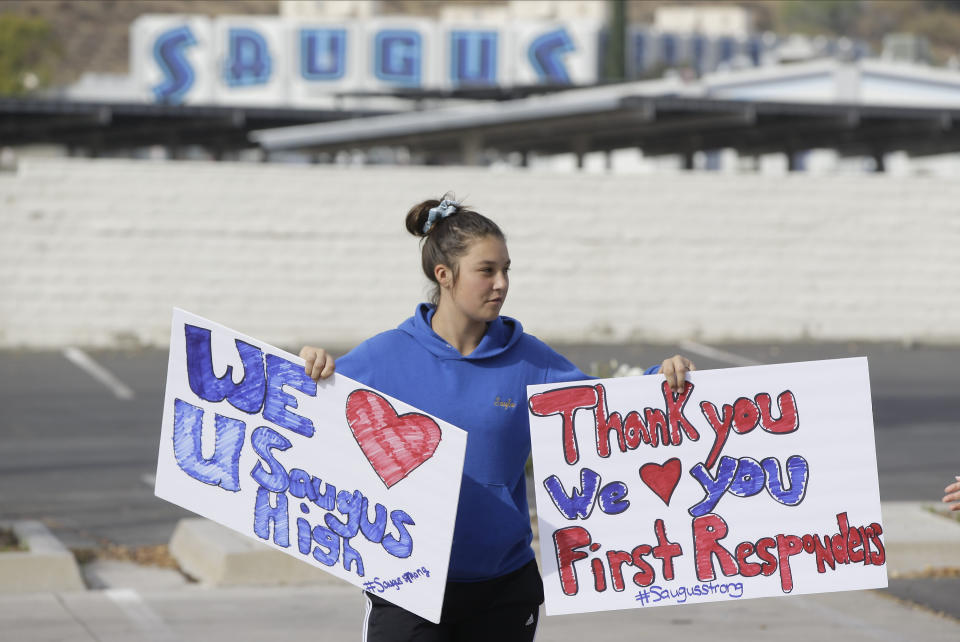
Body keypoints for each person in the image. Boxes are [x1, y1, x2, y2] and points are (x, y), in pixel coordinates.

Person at [300, 196, 695, 642]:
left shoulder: (532, 361)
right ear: (443, 275)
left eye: (506, 269)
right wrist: (311, 367)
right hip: (407, 586)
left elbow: (606, 411)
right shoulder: (384, 356)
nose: (501, 283)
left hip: (504, 588)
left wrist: (660, 379)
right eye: (486, 270)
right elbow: (305, 410)